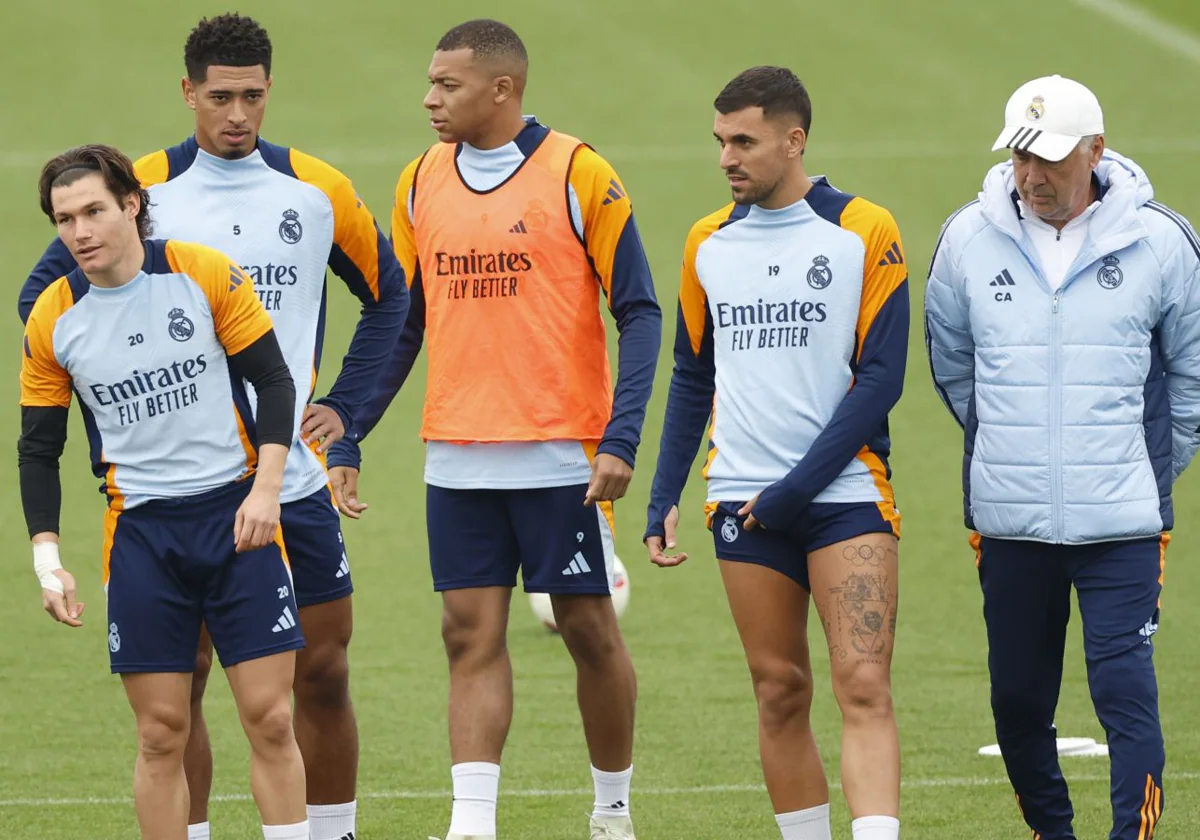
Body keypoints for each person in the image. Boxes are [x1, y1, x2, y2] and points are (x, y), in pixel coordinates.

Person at [19, 15, 407, 840]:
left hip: (286, 482)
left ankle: (332, 832)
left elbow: (392, 297)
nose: (238, 114)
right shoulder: (139, 188)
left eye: (254, 96)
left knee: (324, 670)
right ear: (188, 92)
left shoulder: (317, 190)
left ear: (270, 91)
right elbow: (48, 312)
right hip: (172, 499)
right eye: (221, 96)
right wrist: (121, 426)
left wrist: (348, 410)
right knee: (181, 689)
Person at [324, 18, 661, 840]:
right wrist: (351, 430)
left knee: (586, 627)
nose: (429, 98)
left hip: (559, 453)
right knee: (466, 634)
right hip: (457, 455)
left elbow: (640, 311)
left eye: (448, 84)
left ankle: (611, 811)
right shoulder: (417, 183)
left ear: (502, 89)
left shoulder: (579, 173)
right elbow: (406, 322)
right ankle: (471, 823)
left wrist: (619, 440)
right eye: (432, 82)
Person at [925, 74, 1200, 840]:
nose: (1032, 175)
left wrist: (1144, 468)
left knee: (1124, 693)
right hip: (1009, 521)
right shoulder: (966, 241)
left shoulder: (1162, 242)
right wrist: (1007, 447)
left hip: (1122, 525)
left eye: (1048, 158)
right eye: (1020, 156)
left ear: (1096, 152)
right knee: (1017, 702)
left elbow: (1193, 376)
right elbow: (954, 366)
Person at [644, 67, 907, 840]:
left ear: (794, 141)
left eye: (744, 142)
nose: (727, 158)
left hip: (847, 497)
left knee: (862, 684)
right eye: (720, 141)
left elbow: (881, 378)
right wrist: (663, 493)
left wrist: (798, 486)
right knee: (779, 689)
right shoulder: (707, 242)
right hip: (742, 501)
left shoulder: (865, 230)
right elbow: (693, 373)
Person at [19, 144, 309, 840]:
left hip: (238, 519)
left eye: (93, 210)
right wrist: (45, 557)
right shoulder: (53, 318)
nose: (80, 231)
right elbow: (39, 449)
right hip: (144, 536)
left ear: (131, 205)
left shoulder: (199, 272)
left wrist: (267, 490)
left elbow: (273, 381)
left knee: (270, 718)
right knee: (160, 732)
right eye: (64, 219)